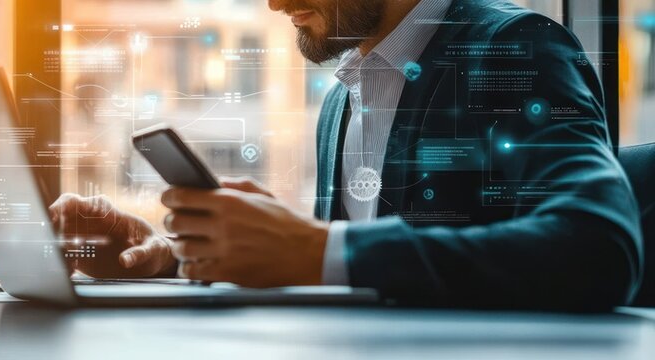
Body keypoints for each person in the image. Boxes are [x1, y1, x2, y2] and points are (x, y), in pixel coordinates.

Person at [49, 0, 643, 310]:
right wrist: (172, 258)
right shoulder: (343, 99)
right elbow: (349, 273)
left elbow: (598, 247)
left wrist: (314, 249)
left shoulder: (515, 49)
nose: (277, 3)